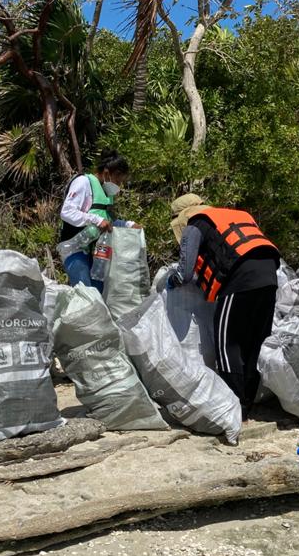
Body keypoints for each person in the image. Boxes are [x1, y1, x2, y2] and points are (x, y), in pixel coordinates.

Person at [166, 193, 280, 417]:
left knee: (226, 344)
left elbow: (185, 273)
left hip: (239, 280)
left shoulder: (195, 224)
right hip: (269, 276)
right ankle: (247, 404)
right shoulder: (232, 215)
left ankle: (235, 406)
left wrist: (172, 281)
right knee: (253, 341)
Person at [57, 150, 139, 289]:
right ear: (107, 173)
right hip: (75, 248)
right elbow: (67, 212)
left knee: (98, 292)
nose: (119, 185)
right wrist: (95, 220)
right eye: (118, 181)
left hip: (97, 251)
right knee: (85, 292)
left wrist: (129, 225)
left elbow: (108, 221)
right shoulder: (83, 182)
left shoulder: (106, 193)